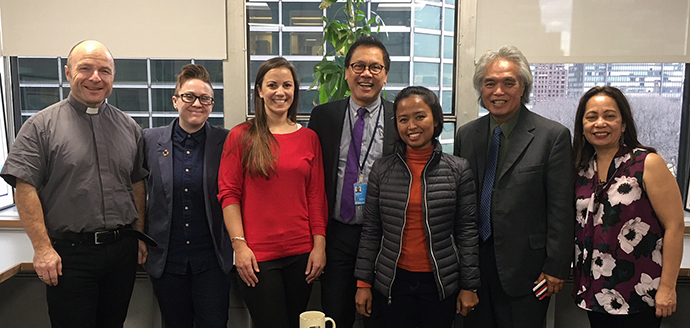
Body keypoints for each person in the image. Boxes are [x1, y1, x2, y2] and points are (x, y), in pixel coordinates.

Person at [0, 40, 150, 327]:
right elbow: (24, 187)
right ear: (68, 73)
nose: (96, 77)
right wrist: (42, 248)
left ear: (113, 77)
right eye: (86, 68)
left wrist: (139, 235)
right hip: (70, 255)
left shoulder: (129, 127)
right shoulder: (40, 127)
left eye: (104, 71)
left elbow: (136, 184)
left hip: (121, 252)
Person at [454, 44, 574, 328]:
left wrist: (556, 267)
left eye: (509, 83)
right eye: (490, 83)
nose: (498, 92)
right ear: (481, 90)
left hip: (528, 270)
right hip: (475, 269)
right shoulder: (466, 135)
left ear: (523, 88)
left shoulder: (552, 136)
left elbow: (561, 207)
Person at [354, 86, 480, 328]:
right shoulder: (381, 170)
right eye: (403, 119)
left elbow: (466, 231)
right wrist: (363, 283)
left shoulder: (458, 169)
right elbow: (371, 230)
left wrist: (469, 285)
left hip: (439, 283)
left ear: (436, 119)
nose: (411, 126)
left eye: (420, 116)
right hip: (391, 282)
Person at [217, 57, 328, 328]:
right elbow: (228, 193)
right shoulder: (241, 136)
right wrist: (239, 246)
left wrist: (319, 246)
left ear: (295, 91)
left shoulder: (309, 138)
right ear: (259, 90)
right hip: (258, 257)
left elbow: (315, 196)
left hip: (301, 254)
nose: (280, 92)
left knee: (295, 323)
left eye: (287, 85)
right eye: (272, 85)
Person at [572, 86, 684, 328]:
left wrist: (667, 287)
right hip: (595, 291)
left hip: (639, 291)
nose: (599, 123)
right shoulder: (581, 170)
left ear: (623, 124)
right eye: (591, 117)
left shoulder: (647, 163)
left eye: (609, 116)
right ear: (582, 126)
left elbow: (674, 226)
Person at [308, 35, 398, 328]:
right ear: (347, 72)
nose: (366, 74)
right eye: (358, 66)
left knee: (382, 316)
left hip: (385, 238)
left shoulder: (400, 117)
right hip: (337, 236)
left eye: (375, 67)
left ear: (385, 74)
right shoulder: (324, 116)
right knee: (335, 315)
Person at [142, 64, 233, 328]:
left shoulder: (226, 142)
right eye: (189, 96)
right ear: (175, 100)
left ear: (212, 105)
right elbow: (135, 190)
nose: (197, 103)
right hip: (167, 260)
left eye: (204, 98)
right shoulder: (148, 140)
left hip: (212, 260)